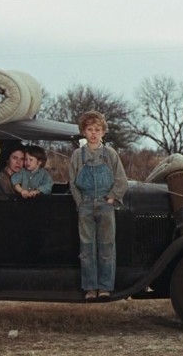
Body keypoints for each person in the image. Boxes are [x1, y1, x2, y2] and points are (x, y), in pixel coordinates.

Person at [68, 111, 128, 300]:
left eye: (97, 129)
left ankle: (105, 287)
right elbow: (72, 181)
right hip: (86, 205)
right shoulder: (78, 155)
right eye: (90, 129)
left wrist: (111, 199)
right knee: (87, 248)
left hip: (105, 205)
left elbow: (121, 180)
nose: (94, 133)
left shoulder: (110, 154)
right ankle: (90, 288)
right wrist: (80, 203)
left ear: (103, 132)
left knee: (106, 247)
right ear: (83, 132)